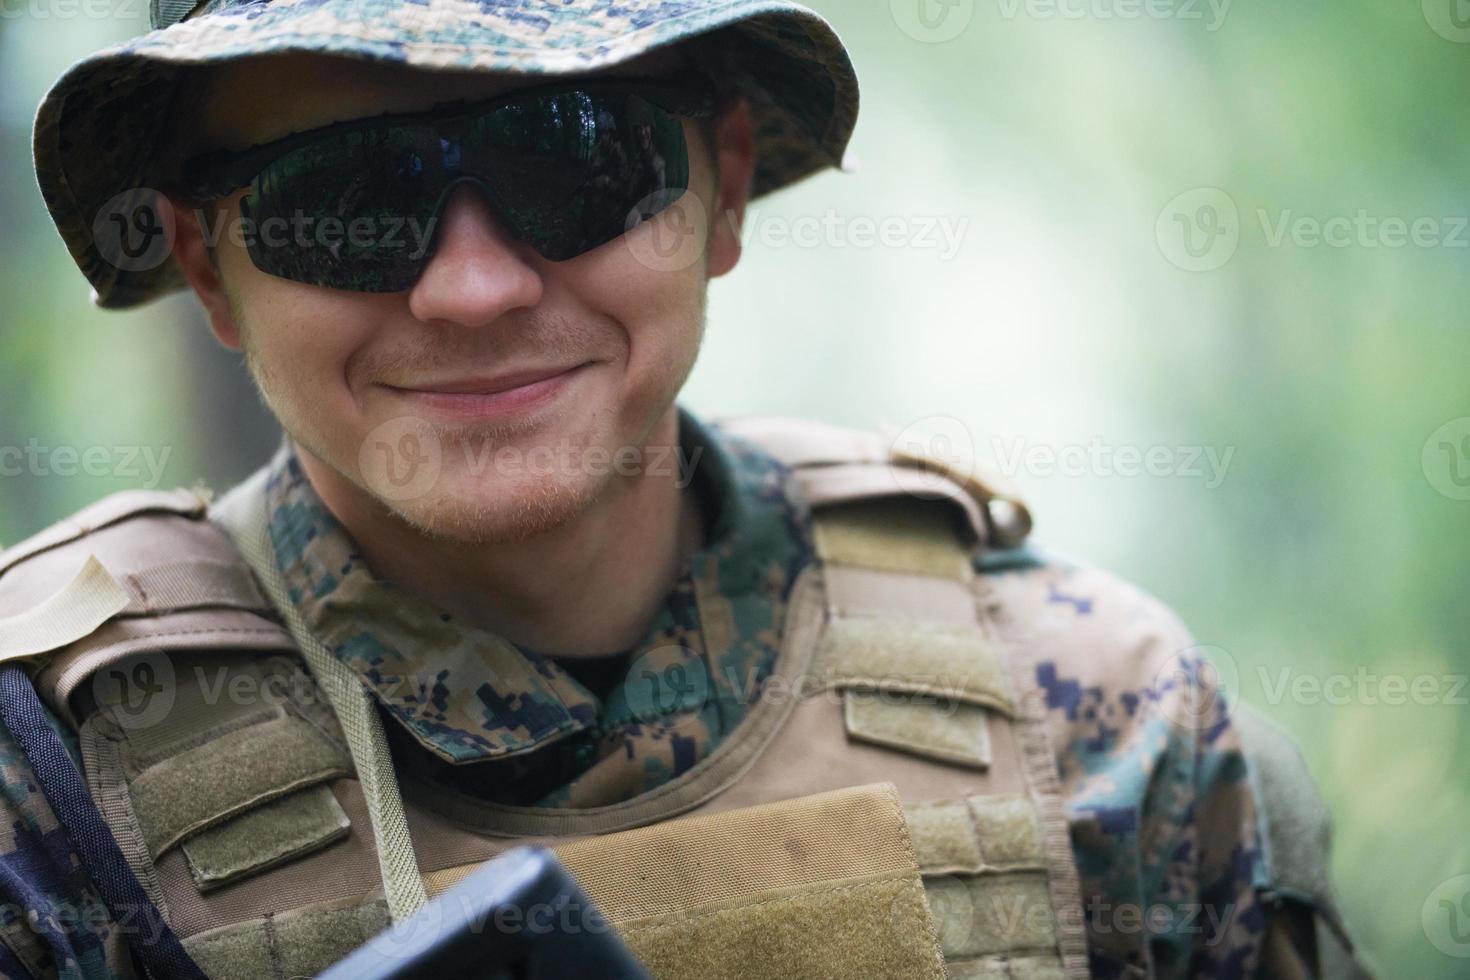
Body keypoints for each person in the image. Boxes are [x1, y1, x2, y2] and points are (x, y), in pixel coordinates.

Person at [0, 1, 1370, 977]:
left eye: (574, 160)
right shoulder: (46, 789)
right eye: (339, 204)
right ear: (204, 266)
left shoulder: (1102, 720)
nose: (472, 289)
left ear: (716, 189)